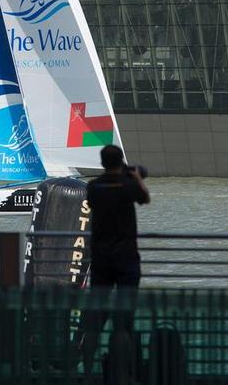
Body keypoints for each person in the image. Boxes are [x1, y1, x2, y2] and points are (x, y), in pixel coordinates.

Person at [79, 145, 150, 370]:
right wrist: (136, 177)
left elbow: (91, 203)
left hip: (101, 259)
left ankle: (88, 368)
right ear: (121, 162)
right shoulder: (127, 185)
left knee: (95, 317)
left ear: (102, 163)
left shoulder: (94, 186)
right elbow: (145, 198)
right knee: (125, 320)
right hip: (126, 258)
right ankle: (124, 370)